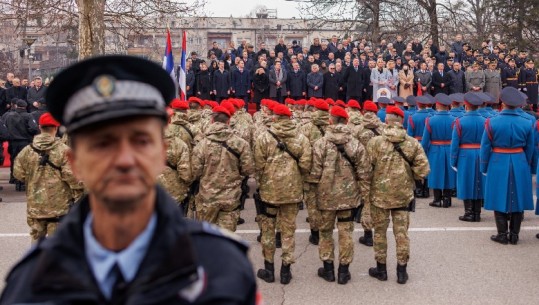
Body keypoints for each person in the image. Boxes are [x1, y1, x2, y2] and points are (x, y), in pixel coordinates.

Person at [0, 55, 258, 304]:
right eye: (103, 144)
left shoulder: (222, 268)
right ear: (74, 163)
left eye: (140, 141)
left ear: (162, 153)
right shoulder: (31, 284)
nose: (124, 159)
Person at [364, 106, 430, 285]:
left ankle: (381, 269)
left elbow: (365, 170)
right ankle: (402, 272)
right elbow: (423, 169)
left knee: (379, 233)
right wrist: (411, 177)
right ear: (401, 121)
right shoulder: (412, 143)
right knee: (401, 234)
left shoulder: (375, 142)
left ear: (386, 121)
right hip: (403, 195)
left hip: (380, 196)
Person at [310, 106, 370, 285]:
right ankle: (344, 272)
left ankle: (328, 270)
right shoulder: (355, 144)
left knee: (325, 232)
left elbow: (314, 174)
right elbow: (364, 172)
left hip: (326, 197)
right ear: (346, 122)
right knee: (346, 233)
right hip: (348, 197)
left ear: (330, 120)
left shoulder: (321, 143)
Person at [254, 104, 312, 285]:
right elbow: (305, 165)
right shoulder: (301, 138)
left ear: (275, 118)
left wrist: (264, 180)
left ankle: (269, 269)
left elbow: (259, 165)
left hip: (270, 192)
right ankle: (285, 271)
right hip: (292, 192)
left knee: (268, 231)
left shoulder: (264, 137)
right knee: (288, 231)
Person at [481, 87, 534, 245]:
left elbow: (485, 147)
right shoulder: (526, 122)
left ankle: (502, 234)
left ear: (502, 102)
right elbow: (530, 148)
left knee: (498, 195)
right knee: (518, 197)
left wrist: (484, 167)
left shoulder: (492, 122)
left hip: (498, 160)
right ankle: (515, 235)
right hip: (520, 160)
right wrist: (528, 165)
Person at [191, 105, 254, 232]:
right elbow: (248, 169)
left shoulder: (201, 145)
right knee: (227, 239)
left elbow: (195, 172)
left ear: (212, 121)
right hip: (230, 197)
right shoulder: (241, 144)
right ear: (229, 121)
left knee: (207, 238)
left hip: (207, 197)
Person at [450, 93, 485, 222]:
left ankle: (469, 212)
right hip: (480, 153)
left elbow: (455, 143)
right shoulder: (485, 121)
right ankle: (477, 213)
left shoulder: (460, 121)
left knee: (466, 183)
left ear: (466, 105)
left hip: (465, 154)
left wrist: (453, 159)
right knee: (478, 182)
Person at [299, 99, 330, 246]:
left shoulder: (306, 128)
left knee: (312, 204)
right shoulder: (334, 127)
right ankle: (326, 232)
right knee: (328, 202)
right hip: (330, 172)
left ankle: (315, 234)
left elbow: (301, 151)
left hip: (311, 172)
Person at [422, 94, 456, 208]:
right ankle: (447, 199)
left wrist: (423, 152)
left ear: (437, 105)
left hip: (435, 149)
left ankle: (437, 199)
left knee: (436, 173)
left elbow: (425, 140)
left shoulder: (430, 120)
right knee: (448, 174)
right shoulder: (454, 120)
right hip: (449, 148)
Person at [3, 100, 38, 190]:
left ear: (16, 106)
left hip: (13, 142)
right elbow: (34, 128)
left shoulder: (8, 116)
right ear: (25, 107)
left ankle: (14, 178)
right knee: (25, 162)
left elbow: (4, 128)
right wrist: (29, 133)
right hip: (25, 141)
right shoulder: (28, 116)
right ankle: (22, 182)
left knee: (14, 160)